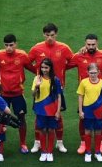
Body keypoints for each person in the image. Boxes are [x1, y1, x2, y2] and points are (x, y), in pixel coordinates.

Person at [28, 24, 75, 154]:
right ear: (43, 35)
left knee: (57, 115)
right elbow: (27, 62)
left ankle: (59, 142)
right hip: (41, 88)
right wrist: (37, 74)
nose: (50, 38)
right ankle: (37, 142)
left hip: (57, 88)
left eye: (52, 35)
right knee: (39, 115)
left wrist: (62, 70)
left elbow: (73, 61)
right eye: (47, 35)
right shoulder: (36, 48)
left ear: (56, 34)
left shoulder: (64, 48)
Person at [69, 34, 102, 152]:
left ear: (97, 44)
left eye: (93, 44)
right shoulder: (79, 56)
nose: (91, 47)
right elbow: (66, 64)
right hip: (85, 95)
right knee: (82, 118)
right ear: (85, 44)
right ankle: (83, 142)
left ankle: (101, 142)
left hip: (100, 94)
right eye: (88, 44)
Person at [0, 35, 31, 156]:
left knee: (21, 117)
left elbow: (32, 67)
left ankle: (23, 143)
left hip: (18, 94)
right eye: (6, 45)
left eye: (11, 45)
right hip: (3, 95)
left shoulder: (22, 55)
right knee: (0, 119)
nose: (8, 48)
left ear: (16, 44)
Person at [31, 57, 61, 163]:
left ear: (50, 68)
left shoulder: (56, 80)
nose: (44, 69)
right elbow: (33, 95)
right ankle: (43, 152)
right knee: (43, 130)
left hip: (52, 109)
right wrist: (37, 86)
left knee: (51, 130)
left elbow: (59, 96)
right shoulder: (37, 78)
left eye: (46, 67)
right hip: (40, 109)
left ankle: (50, 152)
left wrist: (58, 111)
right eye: (42, 67)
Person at [77, 63, 102, 162]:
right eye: (91, 73)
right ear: (87, 72)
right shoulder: (83, 82)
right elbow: (80, 97)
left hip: (99, 111)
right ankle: (88, 153)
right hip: (87, 111)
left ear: (99, 72)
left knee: (98, 131)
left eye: (95, 73)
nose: (93, 75)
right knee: (87, 131)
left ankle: (97, 152)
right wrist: (81, 111)